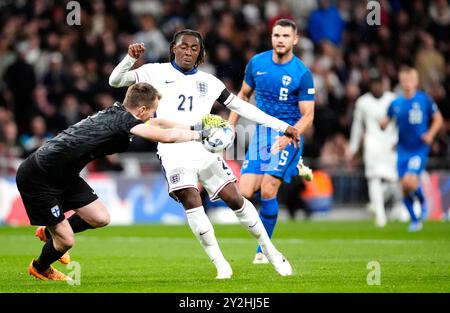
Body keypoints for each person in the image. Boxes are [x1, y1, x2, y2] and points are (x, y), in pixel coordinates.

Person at [109, 29, 300, 278]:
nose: (188, 51)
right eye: (183, 46)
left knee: (237, 200)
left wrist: (283, 126)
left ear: (200, 54)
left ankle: (271, 252)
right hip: (172, 149)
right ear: (173, 49)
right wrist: (129, 59)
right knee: (191, 199)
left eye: (194, 48)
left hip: (204, 147)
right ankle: (221, 264)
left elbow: (243, 107)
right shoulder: (154, 71)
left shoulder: (210, 82)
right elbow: (115, 80)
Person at [18, 82, 205, 281]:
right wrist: (201, 136)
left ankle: (49, 233)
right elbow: (166, 136)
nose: (153, 116)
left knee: (99, 218)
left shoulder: (119, 112)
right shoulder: (123, 121)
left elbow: (159, 124)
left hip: (64, 174)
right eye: (152, 111)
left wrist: (195, 127)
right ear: (141, 110)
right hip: (39, 176)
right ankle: (40, 267)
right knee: (66, 240)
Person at [228, 19, 315, 264]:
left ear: (295, 40)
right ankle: (296, 168)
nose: (280, 39)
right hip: (261, 136)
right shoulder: (257, 63)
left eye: (286, 36)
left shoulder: (302, 74)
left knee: (268, 189)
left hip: (288, 136)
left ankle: (263, 252)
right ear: (271, 37)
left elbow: (308, 114)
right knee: (242, 195)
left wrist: (291, 136)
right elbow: (243, 95)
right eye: (277, 35)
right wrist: (230, 125)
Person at [380, 67, 443, 232]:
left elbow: (438, 119)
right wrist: (383, 124)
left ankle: (422, 202)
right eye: (404, 80)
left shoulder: (424, 100)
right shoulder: (396, 103)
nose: (407, 83)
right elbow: (386, 120)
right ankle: (415, 221)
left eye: (410, 80)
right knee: (404, 188)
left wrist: (430, 134)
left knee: (409, 181)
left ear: (416, 82)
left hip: (418, 149)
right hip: (402, 149)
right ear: (400, 82)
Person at [348, 77, 401, 228]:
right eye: (375, 84)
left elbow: (400, 122)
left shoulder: (393, 99)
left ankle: (379, 206)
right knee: (374, 179)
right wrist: (353, 148)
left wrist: (398, 140)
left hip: (390, 144)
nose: (378, 87)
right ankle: (380, 215)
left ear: (384, 84)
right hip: (372, 145)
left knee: (394, 181)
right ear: (371, 85)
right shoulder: (363, 102)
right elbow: (357, 126)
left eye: (380, 84)